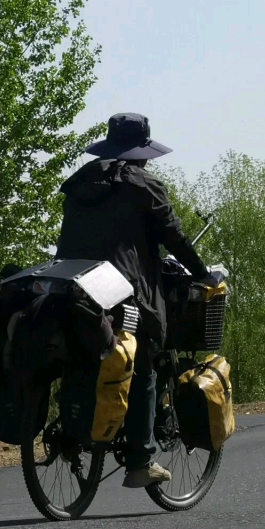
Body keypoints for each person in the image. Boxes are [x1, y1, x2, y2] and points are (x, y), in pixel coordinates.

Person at [55, 113, 219, 488]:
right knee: (144, 358)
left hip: (73, 285)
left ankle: (75, 429)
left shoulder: (80, 181)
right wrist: (201, 273)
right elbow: (174, 237)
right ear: (142, 152)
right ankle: (141, 459)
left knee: (85, 356)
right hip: (122, 290)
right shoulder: (144, 185)